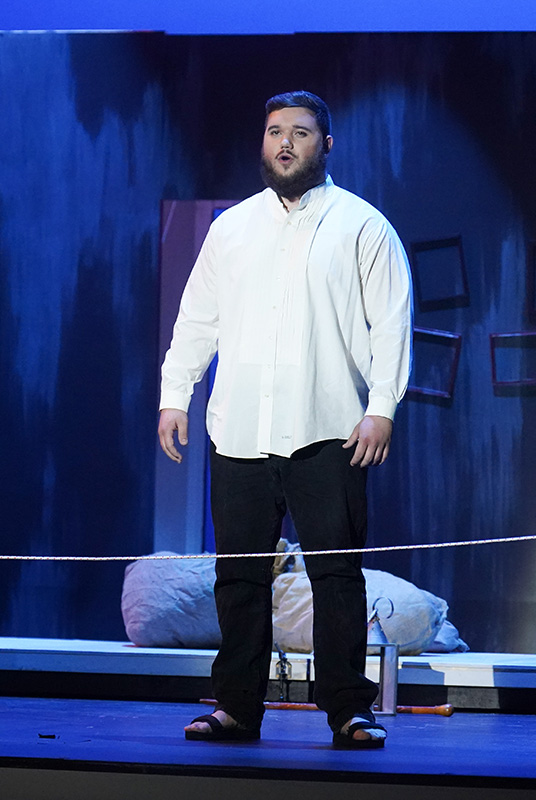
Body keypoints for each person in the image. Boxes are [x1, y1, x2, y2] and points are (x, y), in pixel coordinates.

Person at [158, 91, 412, 748]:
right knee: (238, 577)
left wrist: (381, 408)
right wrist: (173, 395)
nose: (286, 143)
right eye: (275, 131)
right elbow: (197, 321)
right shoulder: (232, 228)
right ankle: (237, 707)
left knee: (335, 574)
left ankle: (348, 709)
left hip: (329, 431)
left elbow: (390, 326)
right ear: (262, 143)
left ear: (326, 145)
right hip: (239, 430)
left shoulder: (362, 225)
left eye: (301, 132)